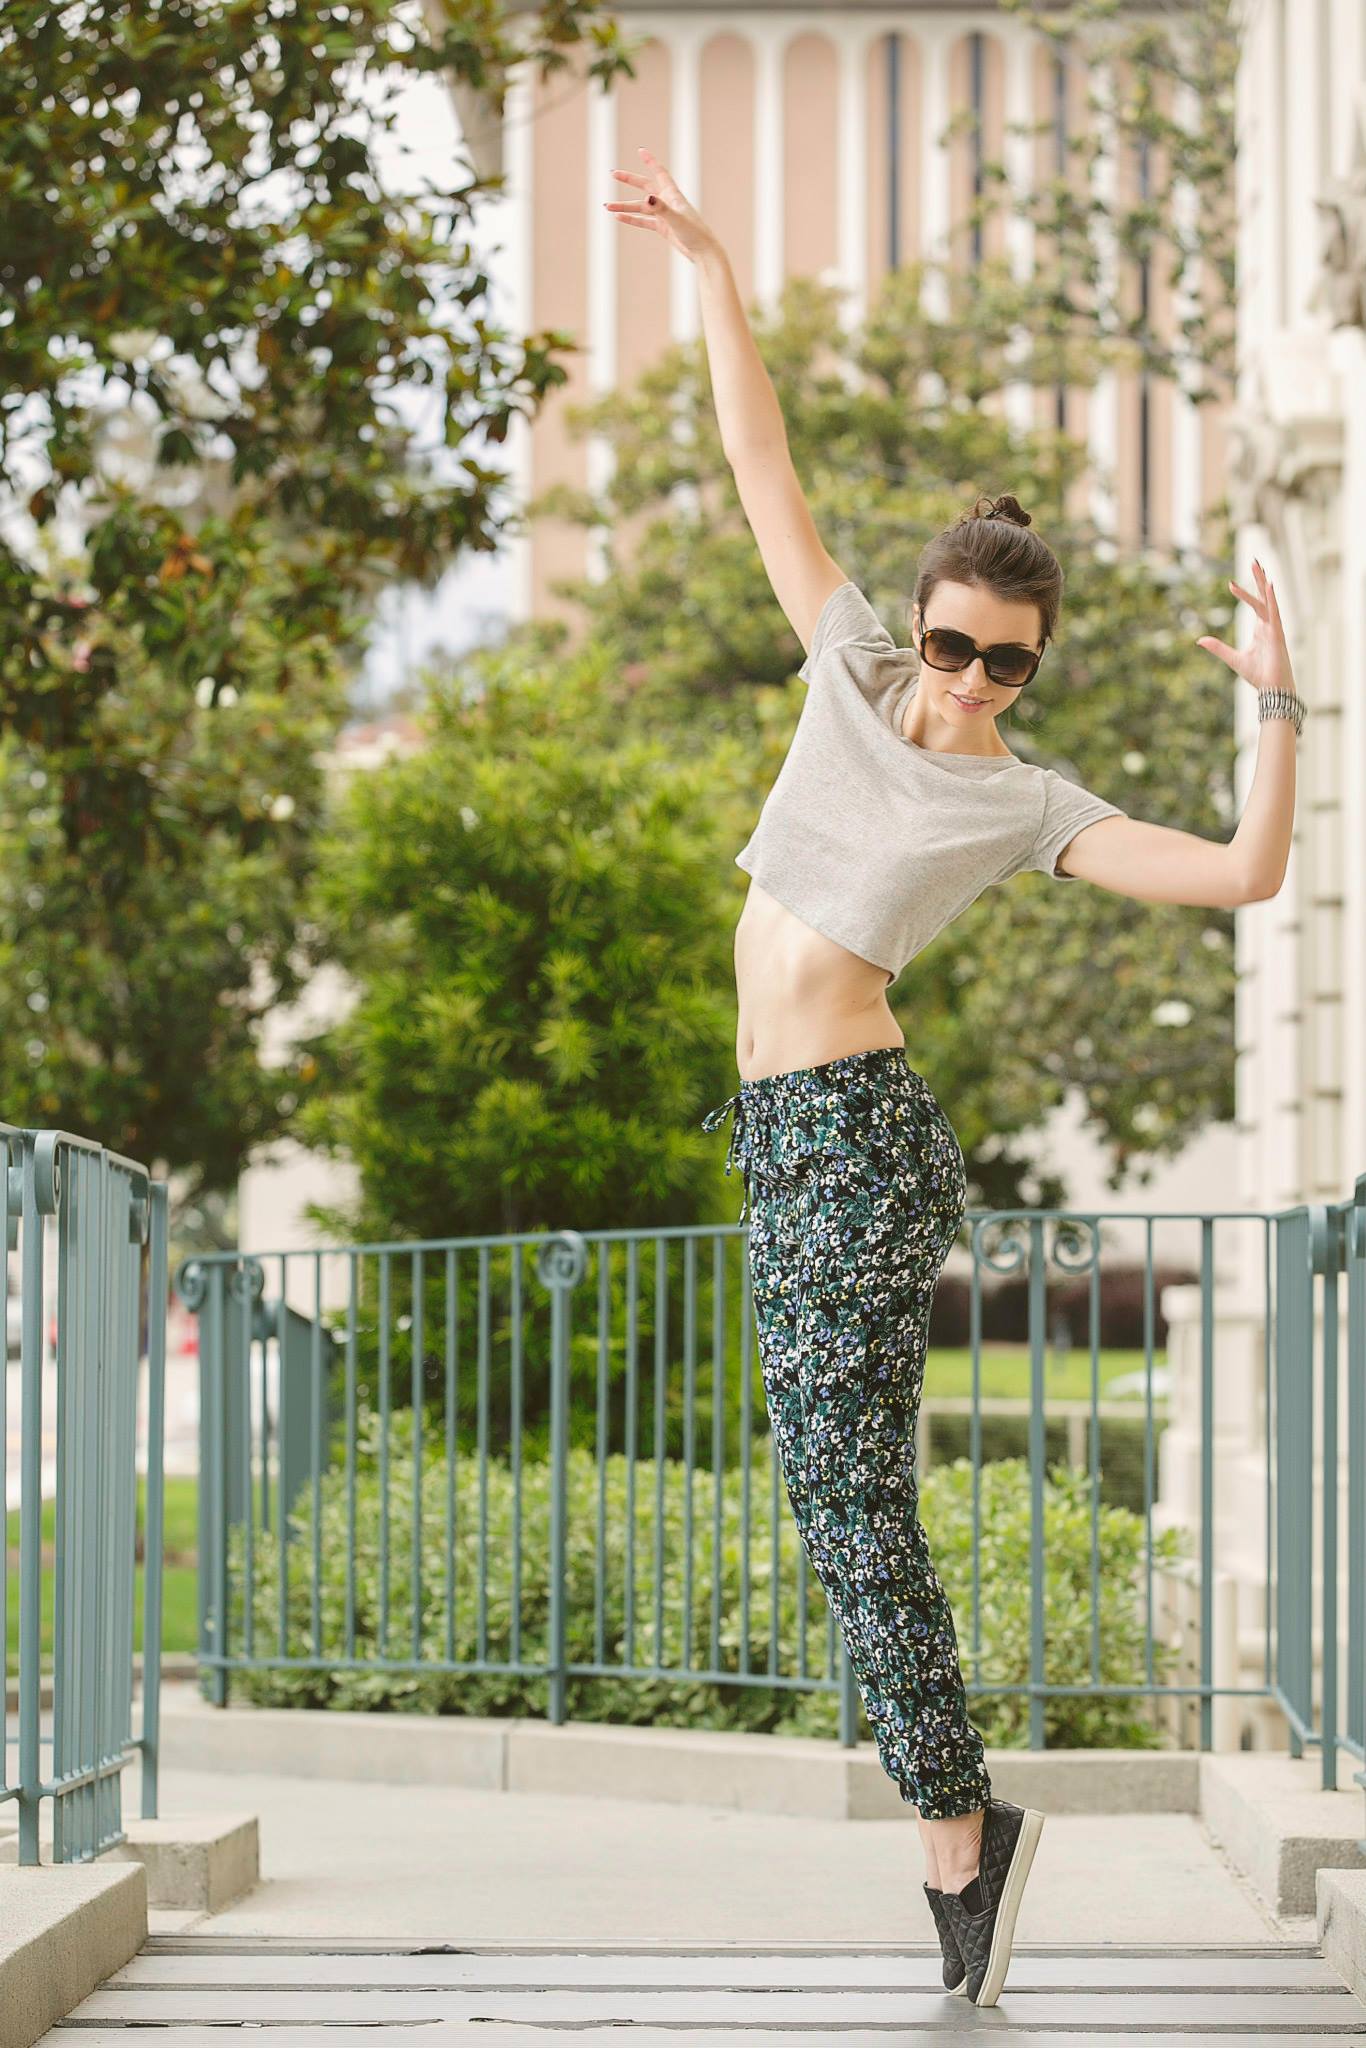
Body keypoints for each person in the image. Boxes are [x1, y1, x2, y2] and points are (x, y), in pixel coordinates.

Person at [606, 147, 1302, 2009]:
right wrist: (713, 263)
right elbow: (759, 464)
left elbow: (1244, 875)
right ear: (910, 624)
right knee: (834, 1495)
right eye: (953, 644)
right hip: (782, 1133)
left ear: (1032, 667)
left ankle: (961, 1840)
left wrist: (1278, 706)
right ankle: (962, 1834)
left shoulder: (1028, 803)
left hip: (852, 1135)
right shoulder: (838, 663)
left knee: (845, 1505)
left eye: (1008, 663)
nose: (973, 681)